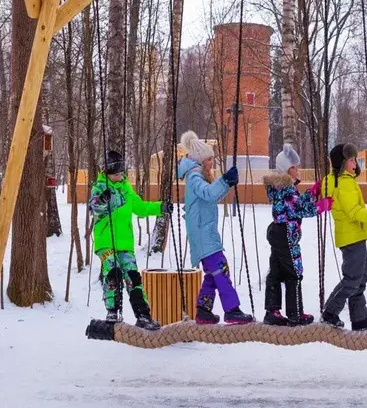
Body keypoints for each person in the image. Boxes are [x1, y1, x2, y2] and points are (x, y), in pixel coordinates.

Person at [177, 130, 254, 325]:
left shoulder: (198, 177)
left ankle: (203, 310)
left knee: (213, 273)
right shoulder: (195, 178)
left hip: (206, 233)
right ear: (201, 161)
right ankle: (232, 310)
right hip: (204, 235)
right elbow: (210, 194)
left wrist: (226, 184)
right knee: (221, 269)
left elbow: (211, 197)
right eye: (209, 160)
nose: (212, 164)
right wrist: (224, 181)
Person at [90, 150, 171, 330]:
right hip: (106, 241)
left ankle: (143, 314)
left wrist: (161, 207)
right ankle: (112, 310)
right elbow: (95, 206)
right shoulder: (99, 187)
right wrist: (103, 199)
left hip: (125, 243)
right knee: (113, 272)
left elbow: (140, 207)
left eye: (121, 173)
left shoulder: (127, 188)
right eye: (116, 174)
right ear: (108, 172)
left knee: (133, 277)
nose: (120, 176)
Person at [320, 142, 367, 330]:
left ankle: (359, 319)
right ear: (342, 163)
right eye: (351, 160)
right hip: (351, 239)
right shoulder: (343, 183)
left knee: (360, 279)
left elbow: (351, 212)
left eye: (354, 159)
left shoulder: (346, 180)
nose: (355, 163)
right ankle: (329, 312)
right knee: (353, 279)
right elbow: (353, 211)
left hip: (354, 236)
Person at [262, 143, 331, 326]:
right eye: (294, 167)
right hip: (287, 234)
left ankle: (272, 311)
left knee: (276, 272)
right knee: (294, 273)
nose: (298, 170)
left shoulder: (279, 187)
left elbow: (294, 204)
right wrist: (321, 205)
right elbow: (299, 209)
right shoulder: (287, 188)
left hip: (278, 232)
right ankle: (295, 314)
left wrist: (312, 192)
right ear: (287, 169)